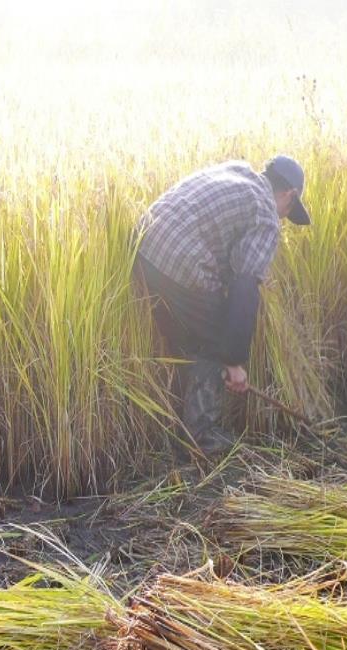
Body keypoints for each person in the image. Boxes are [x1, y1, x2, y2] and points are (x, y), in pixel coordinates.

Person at [133, 155, 311, 456]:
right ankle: (202, 439)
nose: (283, 218)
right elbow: (244, 289)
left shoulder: (236, 170)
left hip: (142, 246)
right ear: (288, 195)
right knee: (214, 338)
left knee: (187, 339)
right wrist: (234, 361)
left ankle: (180, 426)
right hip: (180, 261)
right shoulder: (266, 214)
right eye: (289, 210)